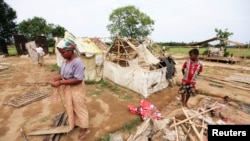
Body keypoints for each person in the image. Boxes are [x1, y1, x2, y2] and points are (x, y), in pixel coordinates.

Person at [50, 38, 89, 140]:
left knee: (80, 108)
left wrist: (60, 82)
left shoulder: (77, 62)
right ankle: (76, 122)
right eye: (60, 53)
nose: (61, 55)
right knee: (71, 107)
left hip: (77, 89)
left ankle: (85, 128)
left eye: (63, 52)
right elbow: (63, 75)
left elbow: (78, 80)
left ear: (70, 50)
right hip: (68, 88)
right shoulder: (65, 62)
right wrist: (56, 78)